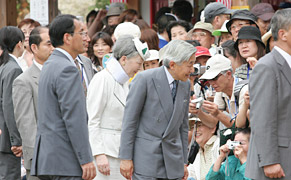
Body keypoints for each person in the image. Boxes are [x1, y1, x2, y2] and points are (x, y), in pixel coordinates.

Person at [30, 14, 96, 180]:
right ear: (67, 37)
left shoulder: (51, 63)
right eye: (81, 33)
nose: (86, 38)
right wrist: (85, 158)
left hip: (50, 159)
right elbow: (74, 118)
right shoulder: (68, 69)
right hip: (66, 161)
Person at [119, 40, 197, 180]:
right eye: (189, 64)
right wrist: (126, 157)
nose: (192, 70)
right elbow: (129, 121)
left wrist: (184, 161)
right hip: (147, 159)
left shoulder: (185, 85)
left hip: (173, 160)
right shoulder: (145, 79)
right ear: (173, 64)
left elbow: (183, 127)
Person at [87, 35, 148, 180]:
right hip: (106, 154)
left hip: (122, 152)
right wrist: (99, 154)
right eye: (138, 63)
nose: (140, 68)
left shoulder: (125, 82)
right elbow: (93, 120)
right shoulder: (102, 79)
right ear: (124, 59)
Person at [245, 9, 291, 180]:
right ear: (283, 34)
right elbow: (262, 117)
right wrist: (269, 161)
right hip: (276, 161)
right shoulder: (267, 66)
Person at [12, 26, 53, 180]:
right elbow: (26, 124)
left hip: (65, 158)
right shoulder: (24, 81)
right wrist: (39, 157)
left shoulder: (64, 74)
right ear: (34, 48)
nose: (53, 48)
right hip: (41, 159)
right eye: (48, 44)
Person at [190, 54, 248, 130]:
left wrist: (218, 113)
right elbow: (212, 123)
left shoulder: (244, 90)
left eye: (214, 78)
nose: (211, 83)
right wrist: (198, 112)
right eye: (209, 79)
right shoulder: (220, 91)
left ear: (228, 74)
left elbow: (239, 125)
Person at [0, 26, 25, 180]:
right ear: (19, 44)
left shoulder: (4, 66)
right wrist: (16, 140)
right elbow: (9, 106)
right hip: (7, 140)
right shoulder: (13, 69)